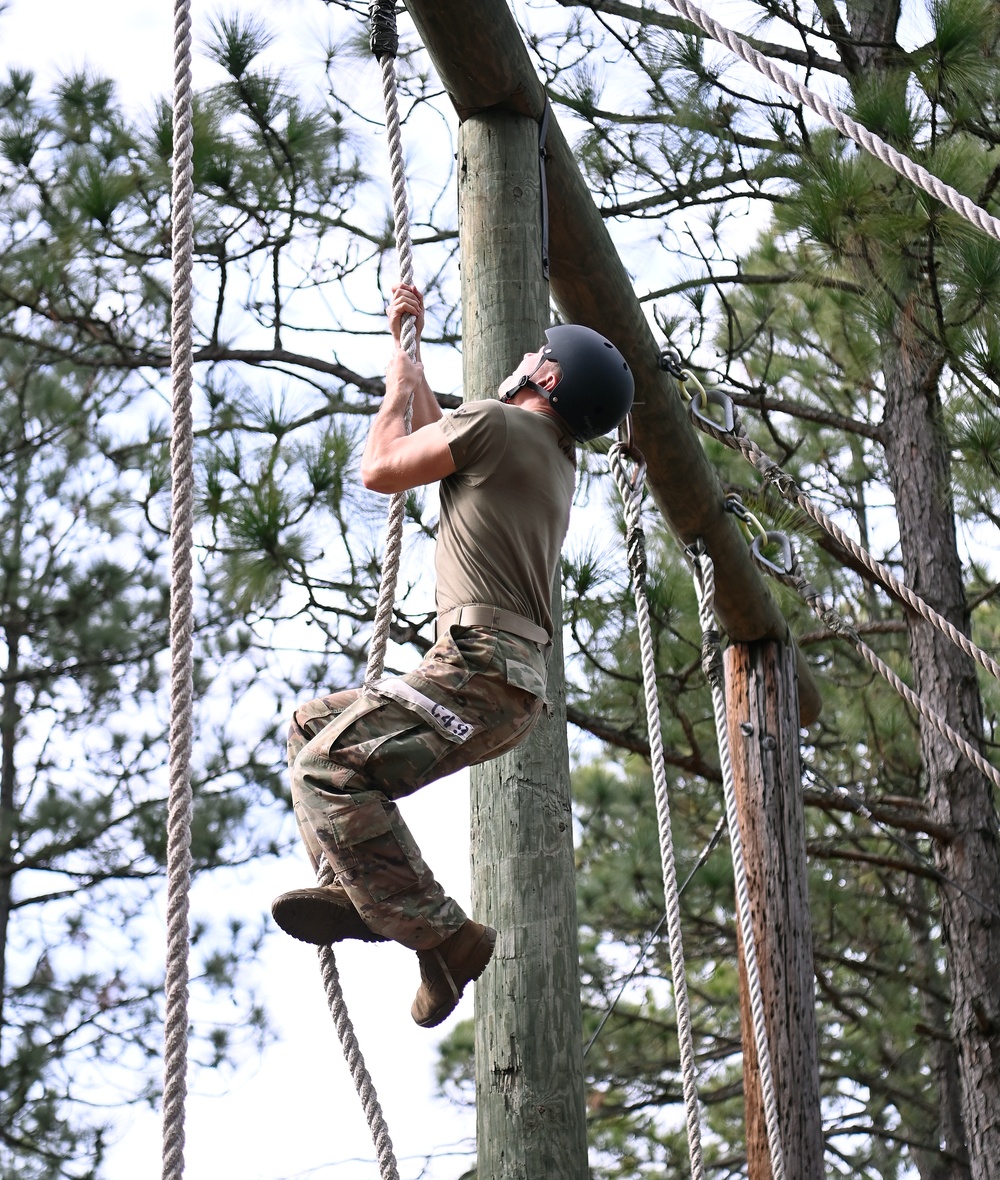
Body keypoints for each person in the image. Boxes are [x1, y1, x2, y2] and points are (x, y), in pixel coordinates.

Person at [272, 284, 634, 1028]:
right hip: (501, 681)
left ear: (551, 378)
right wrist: (407, 359)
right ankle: (364, 890)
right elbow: (444, 440)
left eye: (536, 356)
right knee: (313, 727)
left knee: (325, 769)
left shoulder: (501, 429)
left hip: (478, 668)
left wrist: (391, 391)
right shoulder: (544, 456)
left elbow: (384, 468)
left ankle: (446, 933)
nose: (524, 360)